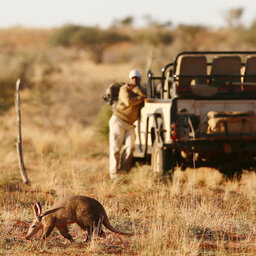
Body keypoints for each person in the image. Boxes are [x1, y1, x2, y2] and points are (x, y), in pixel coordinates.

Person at [109, 69, 146, 179]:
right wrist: (141, 98)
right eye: (133, 78)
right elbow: (129, 102)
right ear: (130, 79)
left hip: (130, 124)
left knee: (130, 147)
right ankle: (114, 174)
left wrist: (138, 92)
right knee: (115, 148)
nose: (135, 80)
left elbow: (146, 94)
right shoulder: (124, 89)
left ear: (139, 79)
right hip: (119, 120)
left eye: (137, 78)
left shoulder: (139, 89)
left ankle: (124, 171)